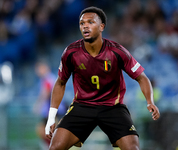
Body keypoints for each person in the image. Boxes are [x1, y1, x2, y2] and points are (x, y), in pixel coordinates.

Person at [45, 6, 160, 150]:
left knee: (133, 149)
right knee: (54, 148)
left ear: (101, 26)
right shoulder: (71, 53)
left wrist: (150, 101)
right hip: (82, 106)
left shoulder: (117, 51)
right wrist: (51, 117)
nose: (85, 26)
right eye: (82, 23)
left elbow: (142, 78)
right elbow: (60, 83)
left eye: (90, 22)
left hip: (113, 107)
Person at [33, 59, 67, 149]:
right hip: (51, 111)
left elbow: (46, 92)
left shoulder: (48, 78)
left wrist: (38, 105)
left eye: (39, 68)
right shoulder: (48, 78)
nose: (38, 71)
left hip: (52, 111)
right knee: (43, 131)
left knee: (44, 130)